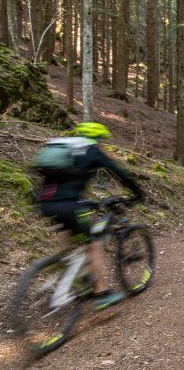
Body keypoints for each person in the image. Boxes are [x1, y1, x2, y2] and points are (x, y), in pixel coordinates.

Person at [36, 122, 144, 311]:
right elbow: (119, 173)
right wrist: (137, 192)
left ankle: (61, 268)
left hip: (46, 202)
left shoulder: (65, 147)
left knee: (70, 231)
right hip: (68, 205)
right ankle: (101, 293)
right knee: (94, 243)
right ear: (98, 138)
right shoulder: (91, 151)